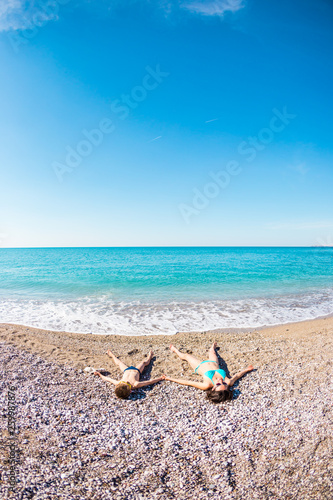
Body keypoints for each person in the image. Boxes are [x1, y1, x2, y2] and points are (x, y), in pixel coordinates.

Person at [165, 342, 254, 403]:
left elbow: (187, 382)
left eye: (219, 384)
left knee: (186, 356)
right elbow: (237, 376)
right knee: (212, 351)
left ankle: (175, 350)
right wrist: (247, 369)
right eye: (224, 384)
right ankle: (212, 347)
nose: (221, 381)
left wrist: (169, 378)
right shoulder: (228, 382)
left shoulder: (206, 385)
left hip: (199, 365)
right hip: (214, 363)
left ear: (213, 389)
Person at [94, 349, 165, 399]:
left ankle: (112, 355)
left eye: (125, 383)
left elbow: (108, 379)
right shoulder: (135, 384)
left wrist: (100, 375)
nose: (127, 382)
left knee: (119, 363)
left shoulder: (118, 383)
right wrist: (160, 378)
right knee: (144, 363)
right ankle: (150, 356)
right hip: (136, 370)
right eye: (127, 384)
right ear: (131, 391)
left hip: (126, 370)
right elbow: (149, 382)